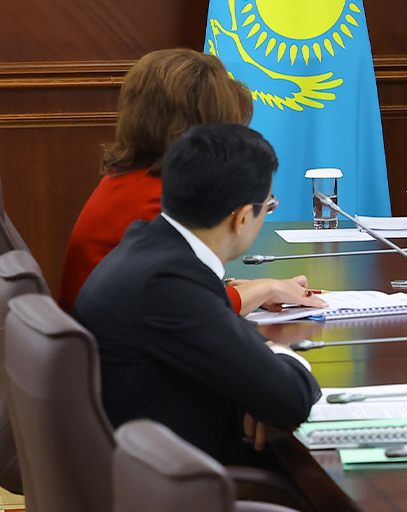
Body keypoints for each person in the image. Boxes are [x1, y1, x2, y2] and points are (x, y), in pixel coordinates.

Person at [74, 124, 322, 465]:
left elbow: (224, 330)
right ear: (242, 218)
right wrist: (283, 354)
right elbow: (292, 398)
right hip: (170, 481)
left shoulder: (149, 244)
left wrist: (264, 370)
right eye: (269, 205)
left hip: (143, 461)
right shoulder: (170, 284)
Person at [57, 48, 322, 315]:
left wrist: (239, 290)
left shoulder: (131, 179)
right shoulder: (160, 202)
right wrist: (265, 289)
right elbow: (190, 308)